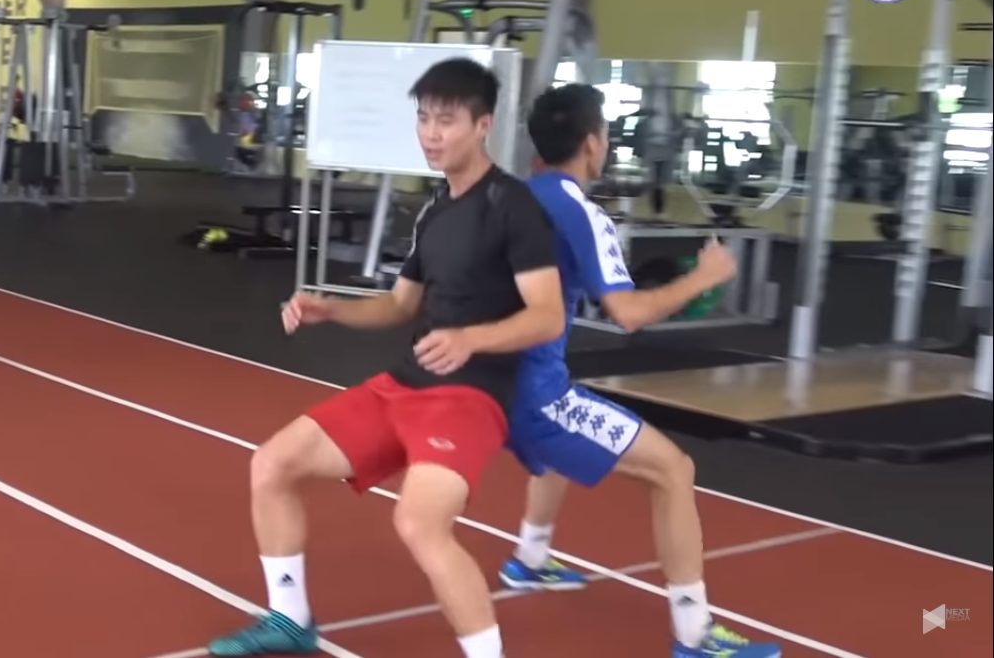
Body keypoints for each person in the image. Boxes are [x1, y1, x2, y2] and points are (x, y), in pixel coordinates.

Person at [207, 58, 566, 658]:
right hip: (407, 384)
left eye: (446, 121)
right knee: (273, 464)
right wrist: (333, 309)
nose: (430, 133)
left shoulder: (514, 207)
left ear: (483, 125)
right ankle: (291, 620)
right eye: (423, 118)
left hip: (471, 395)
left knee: (420, 523)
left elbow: (548, 315)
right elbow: (402, 304)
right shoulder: (437, 209)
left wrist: (470, 339)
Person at [497, 83, 782, 658]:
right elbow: (626, 314)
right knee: (674, 470)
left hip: (481, 380)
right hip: (530, 393)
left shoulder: (509, 196)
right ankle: (695, 634)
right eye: (604, 135)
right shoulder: (580, 212)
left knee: (565, 430)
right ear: (592, 143)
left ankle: (530, 557)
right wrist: (704, 277)